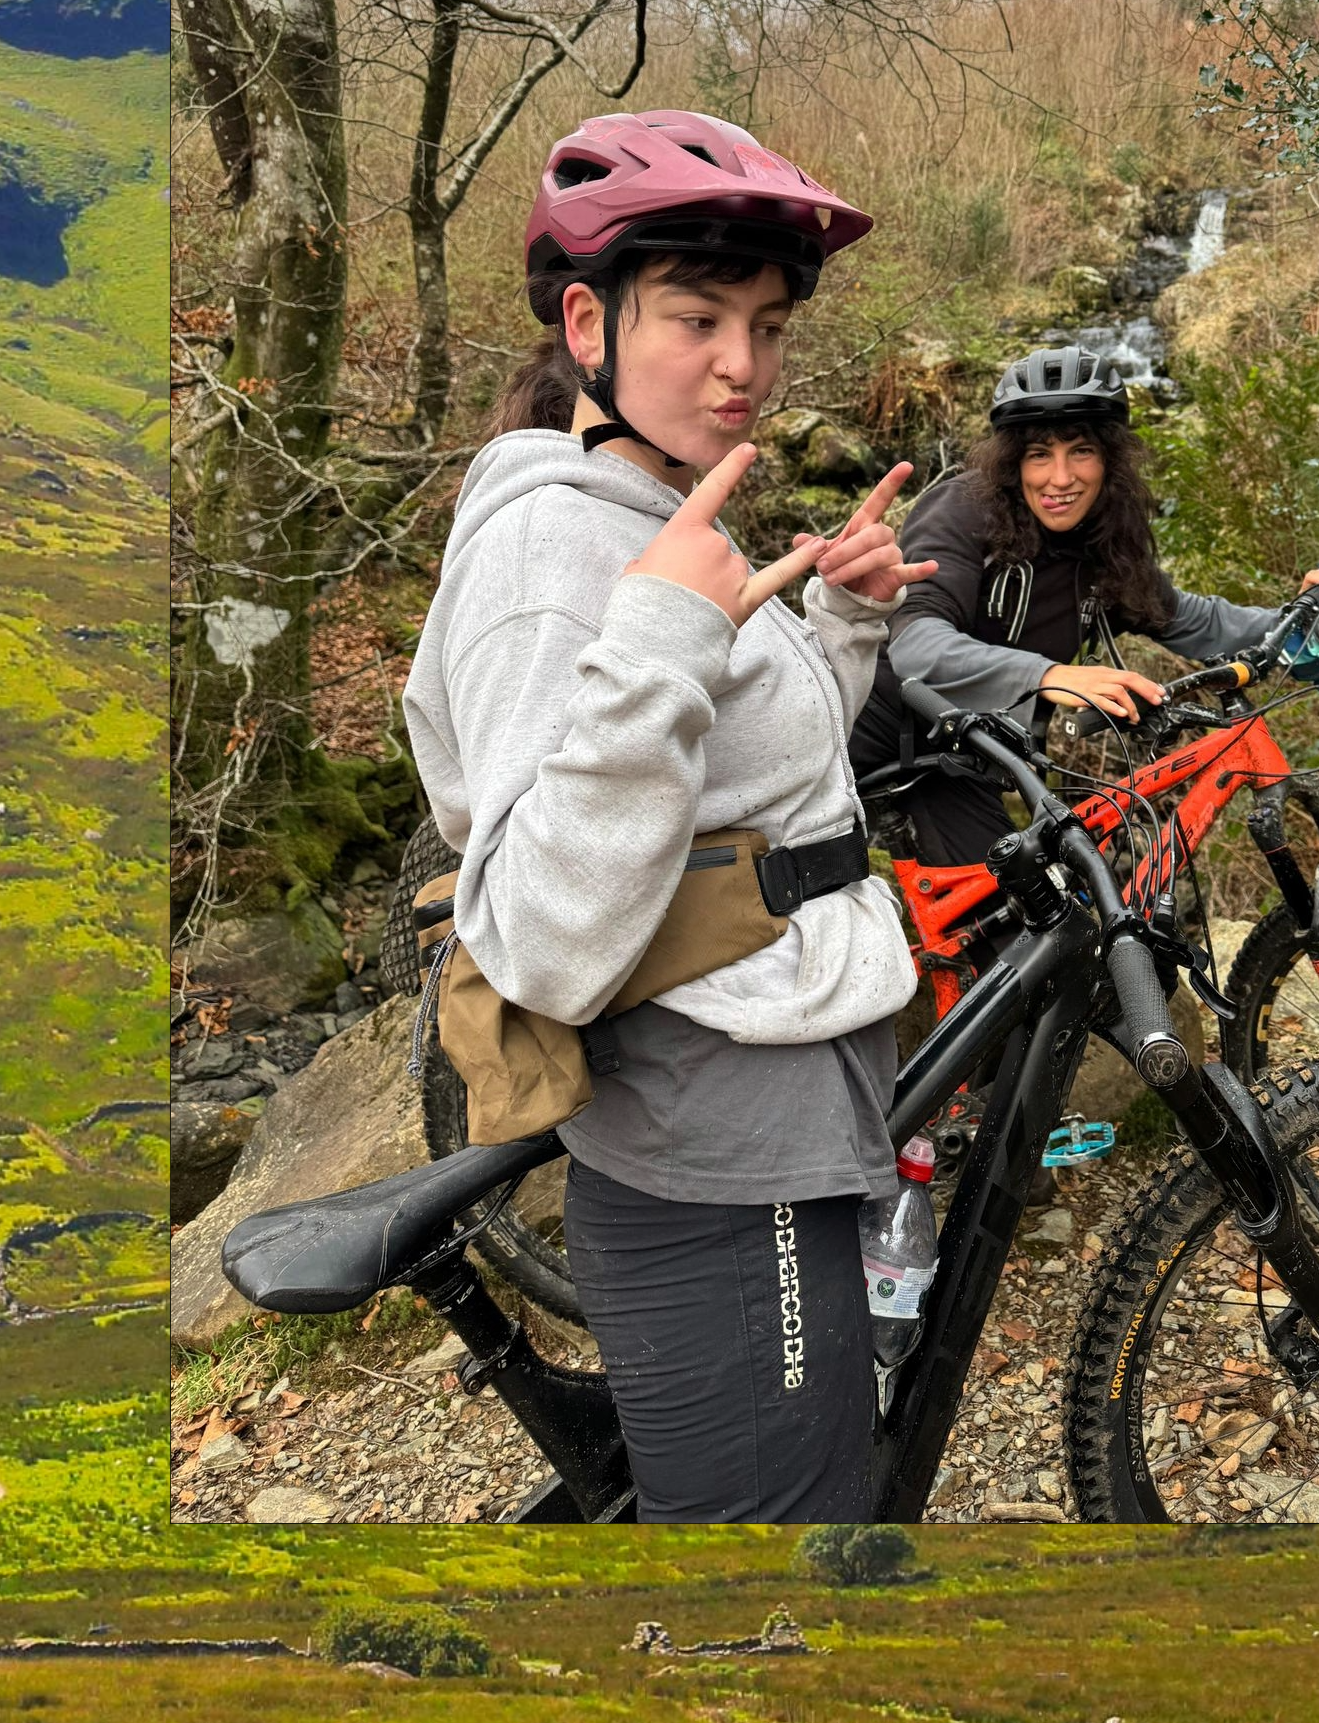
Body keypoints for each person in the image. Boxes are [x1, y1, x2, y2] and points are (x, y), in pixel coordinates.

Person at [399, 107, 936, 1523]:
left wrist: (842, 622)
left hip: (766, 1096)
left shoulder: (645, 501)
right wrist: (655, 641)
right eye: (698, 317)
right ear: (589, 321)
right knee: (780, 1556)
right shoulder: (552, 551)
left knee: (806, 1499)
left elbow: (726, 777)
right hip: (711, 1149)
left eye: (767, 324)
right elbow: (533, 935)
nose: (744, 365)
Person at [846, 343, 1319, 870]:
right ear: (1014, 461)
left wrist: (1300, 618)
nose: (1061, 478)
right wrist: (1051, 675)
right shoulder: (962, 510)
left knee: (1026, 926)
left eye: (1080, 451)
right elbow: (917, 644)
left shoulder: (1102, 543)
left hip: (964, 757)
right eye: (1040, 454)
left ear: (1108, 458)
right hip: (871, 733)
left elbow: (1194, 620)